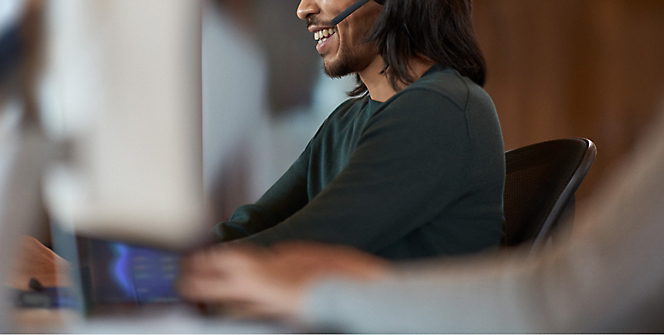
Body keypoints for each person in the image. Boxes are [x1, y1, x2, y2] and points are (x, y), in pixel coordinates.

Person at [182, 93, 664, 332]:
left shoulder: (437, 112)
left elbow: (562, 299)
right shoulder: (349, 118)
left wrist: (186, 275)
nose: (304, 8)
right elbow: (264, 219)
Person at [211, 0, 505, 260]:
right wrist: (163, 268)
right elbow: (255, 224)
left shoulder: (441, 111)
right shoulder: (345, 123)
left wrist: (179, 276)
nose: (303, 9)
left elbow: (311, 242)